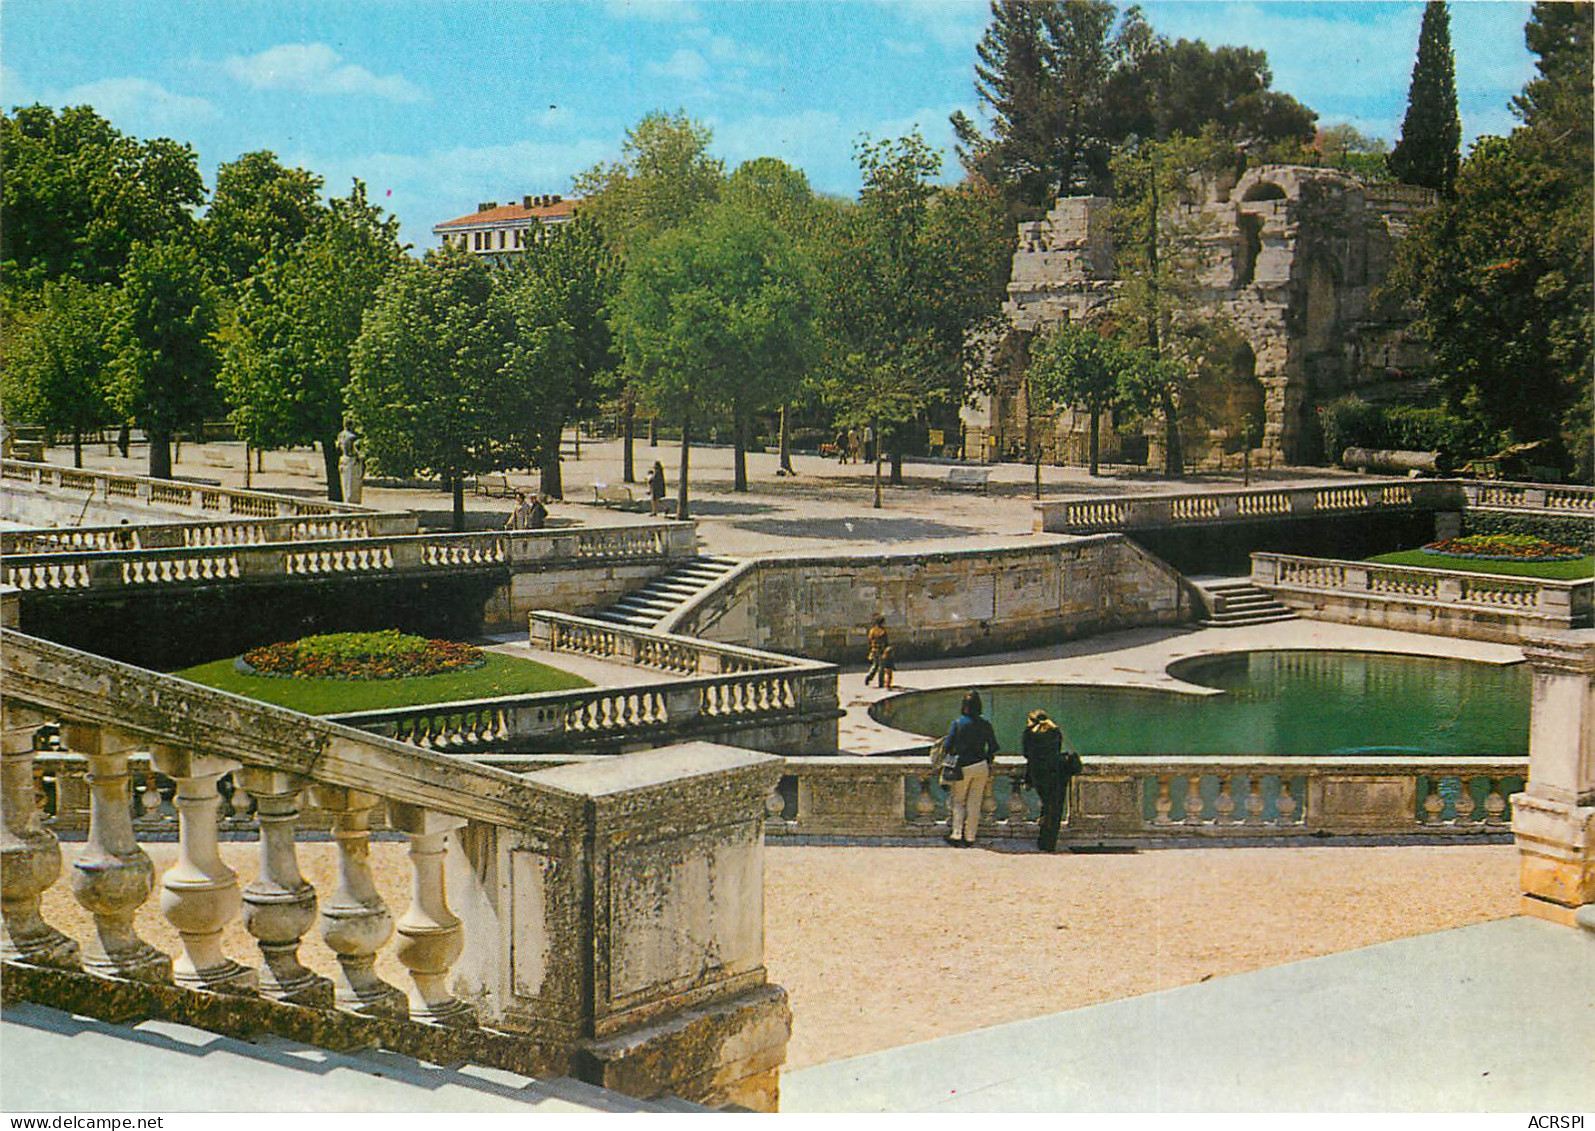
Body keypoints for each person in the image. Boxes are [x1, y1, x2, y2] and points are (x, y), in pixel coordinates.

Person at [942, 690, 999, 847]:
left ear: (964, 706)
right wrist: (987, 759)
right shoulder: (986, 724)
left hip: (963, 766)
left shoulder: (958, 723)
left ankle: (956, 834)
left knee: (959, 801)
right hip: (981, 766)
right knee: (975, 803)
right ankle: (970, 837)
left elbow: (947, 746)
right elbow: (994, 746)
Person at [1022, 709, 1070, 852]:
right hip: (1057, 772)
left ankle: (1043, 840)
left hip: (1038, 774)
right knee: (1054, 808)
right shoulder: (1055, 731)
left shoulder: (1029, 733)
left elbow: (1026, 754)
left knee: (1046, 805)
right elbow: (1058, 749)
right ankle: (1049, 841)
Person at [864, 614, 890, 687]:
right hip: (881, 650)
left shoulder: (872, 630)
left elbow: (870, 640)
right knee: (881, 667)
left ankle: (869, 676)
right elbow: (885, 642)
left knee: (875, 665)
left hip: (874, 649)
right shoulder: (882, 631)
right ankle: (881, 682)